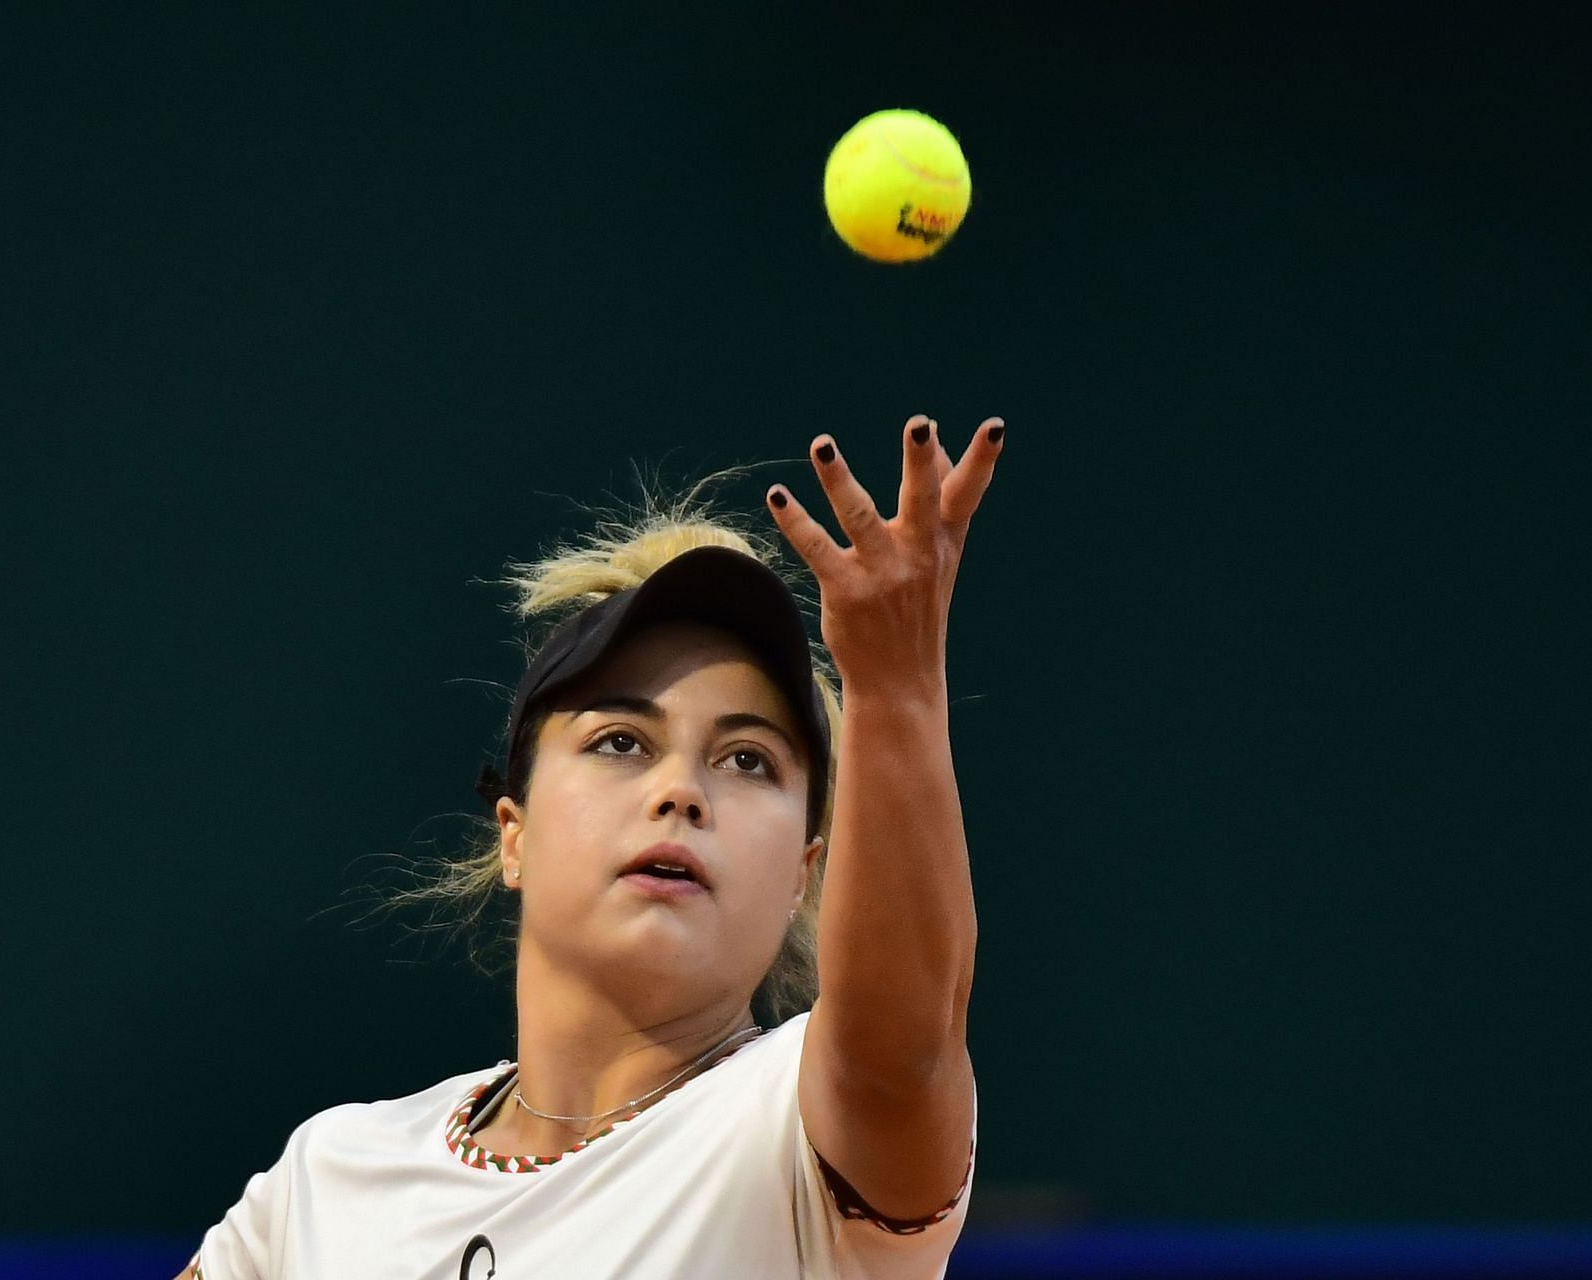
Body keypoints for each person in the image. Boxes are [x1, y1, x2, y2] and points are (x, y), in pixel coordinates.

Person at [180, 414, 1006, 1278]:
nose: (681, 791)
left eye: (747, 760)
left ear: (806, 874)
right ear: (516, 833)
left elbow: (904, 1046)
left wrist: (897, 684)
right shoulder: (328, 1179)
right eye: (621, 742)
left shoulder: (795, 1129)